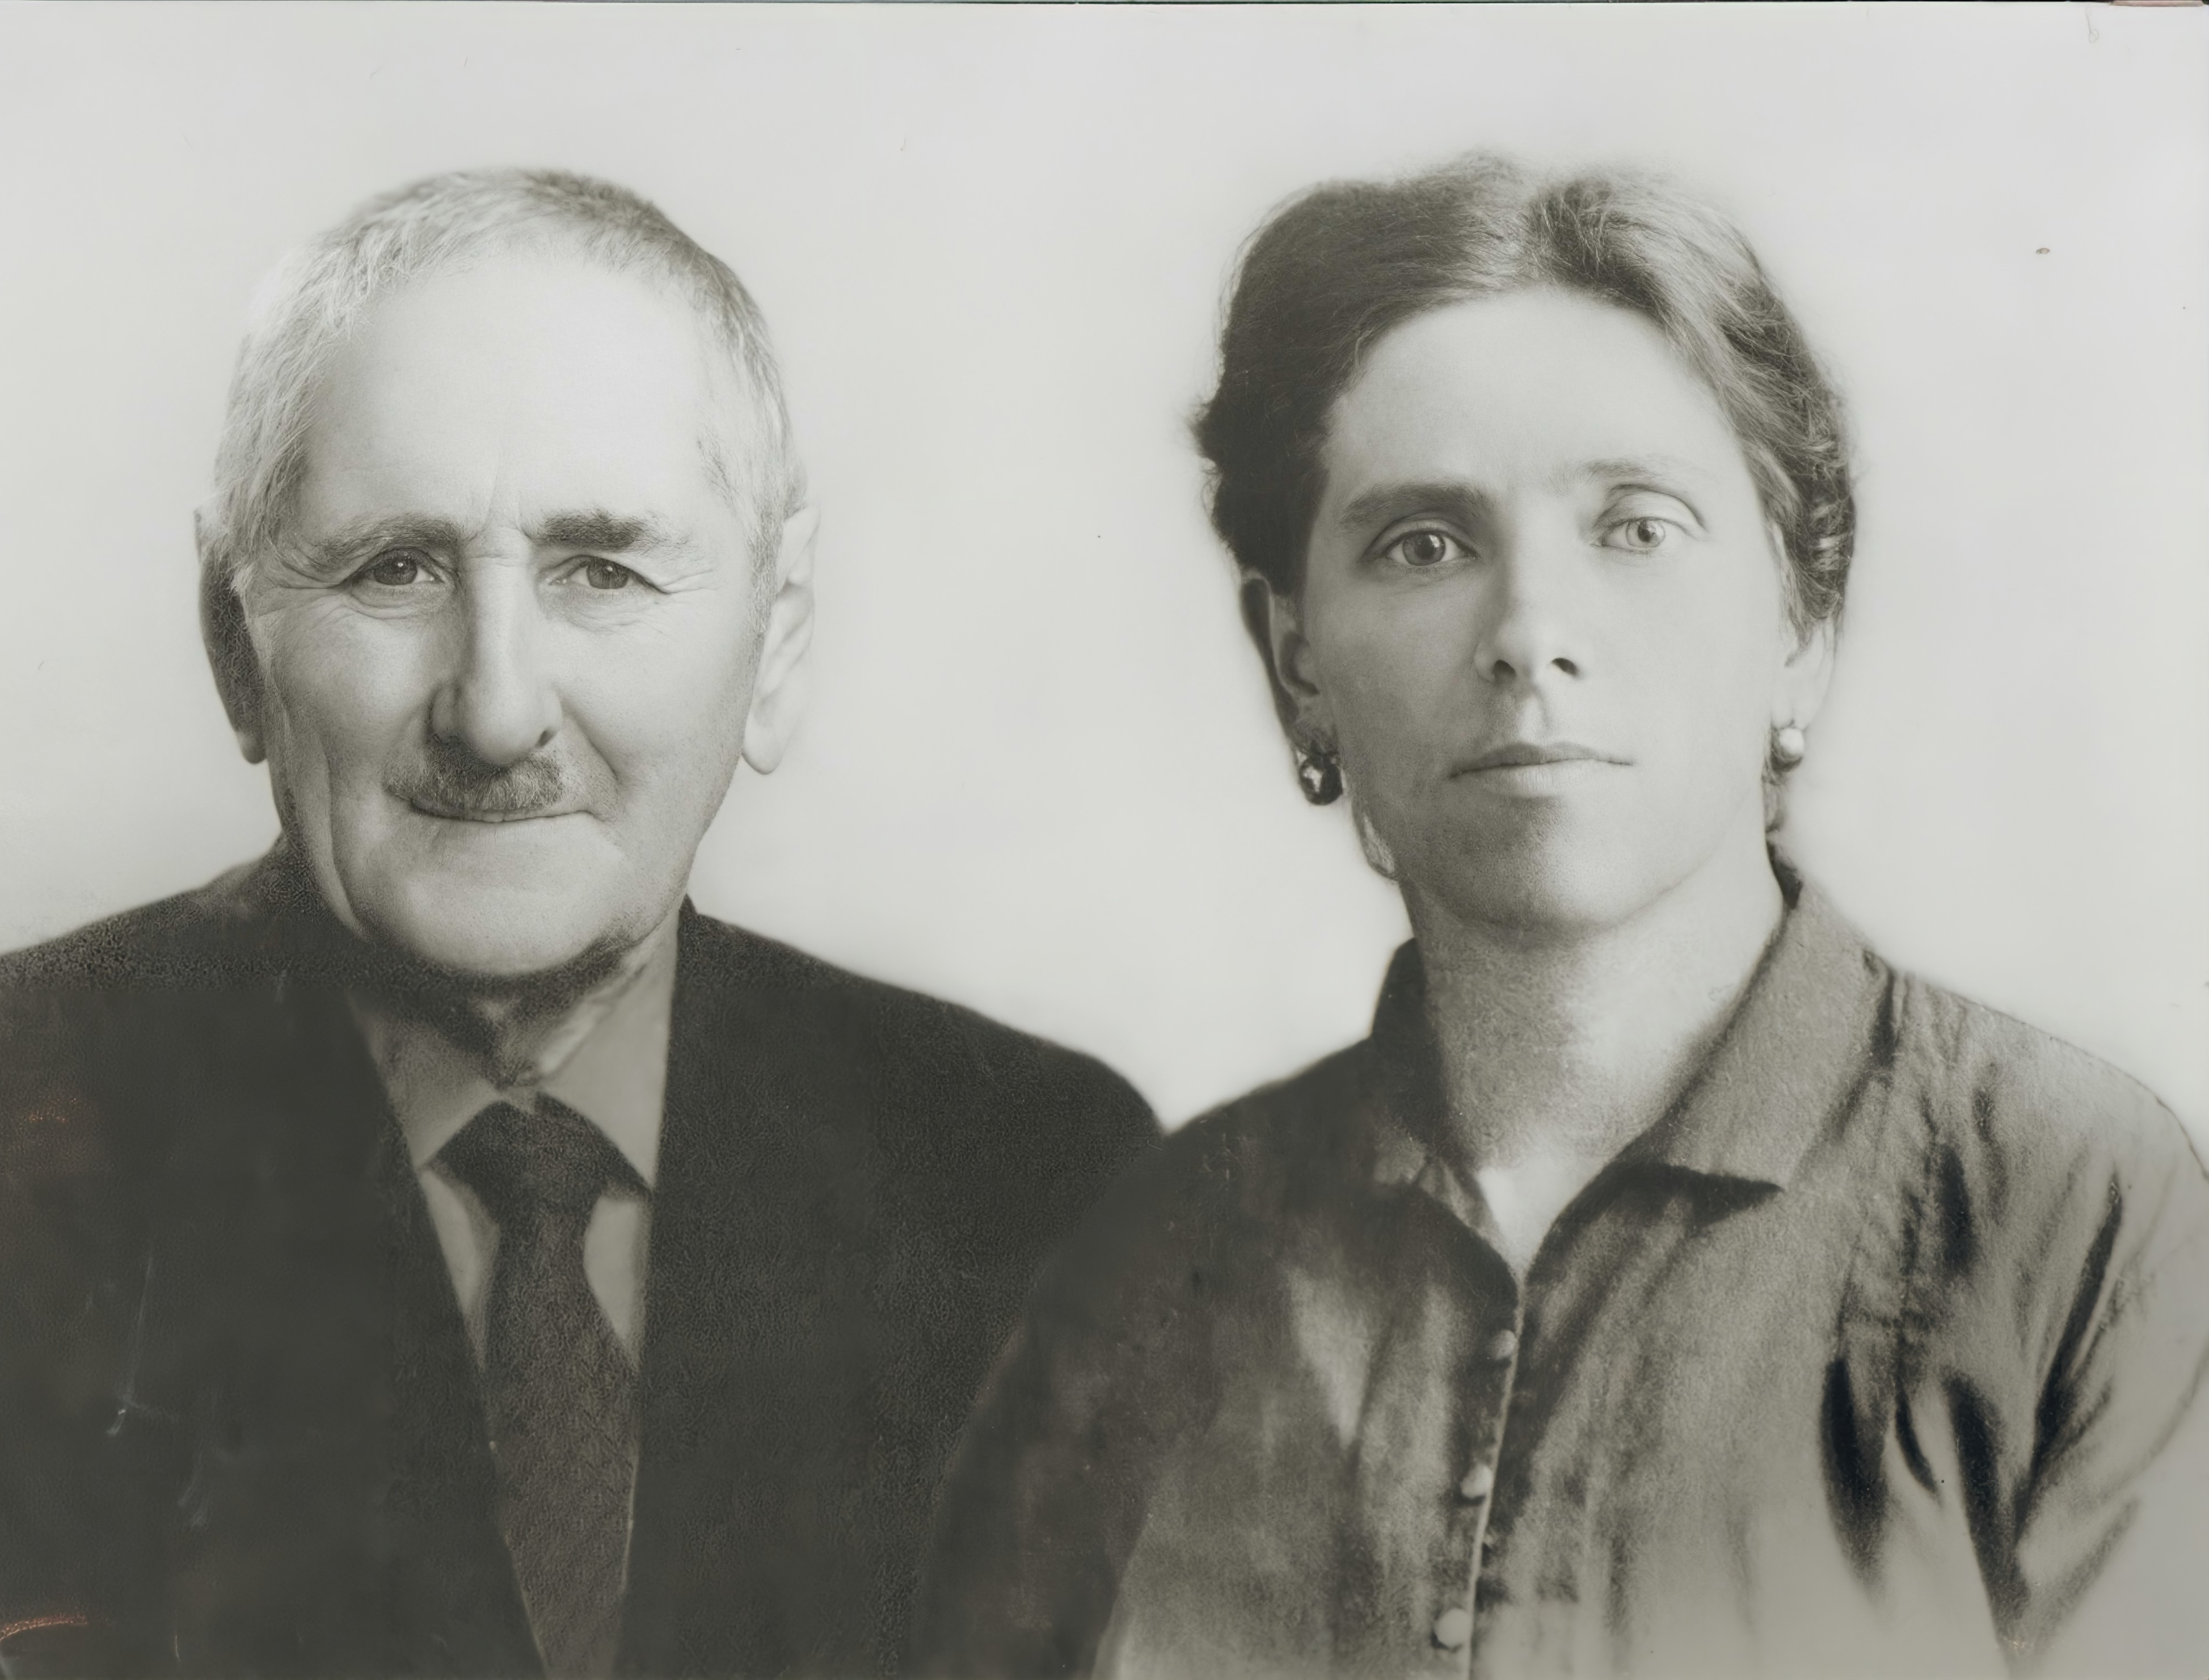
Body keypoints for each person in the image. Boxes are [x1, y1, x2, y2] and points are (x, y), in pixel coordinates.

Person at [914, 155, 2209, 1678]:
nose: (1530, 633)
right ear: (1298, 665)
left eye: (1636, 527)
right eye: (1424, 544)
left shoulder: (2072, 1213)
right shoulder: (1154, 1262)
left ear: (1802, 628)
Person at [0, 168, 1157, 1678]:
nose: (496, 712)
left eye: (601, 570)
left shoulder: (1035, 1178)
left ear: (778, 639)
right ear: (234, 641)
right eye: (395, 570)